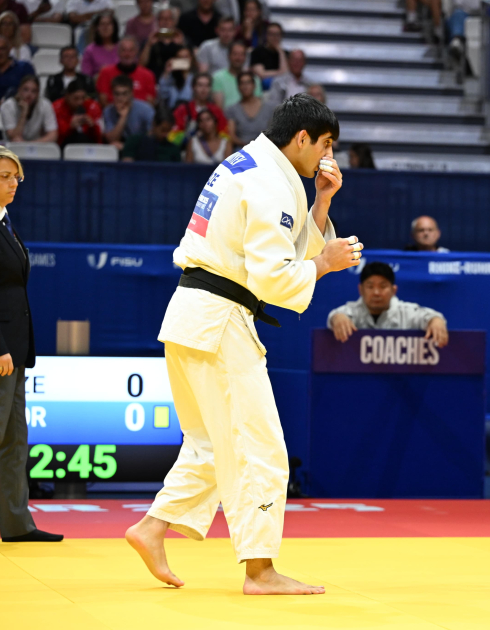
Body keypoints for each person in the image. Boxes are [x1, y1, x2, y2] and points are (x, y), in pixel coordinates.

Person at [125, 93, 360, 595]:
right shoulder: (269, 181)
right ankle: (260, 570)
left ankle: (152, 527)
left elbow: (283, 249)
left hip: (193, 316)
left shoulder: (249, 163)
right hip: (220, 319)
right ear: (302, 137)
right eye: (324, 145)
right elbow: (276, 277)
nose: (327, 157)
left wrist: (321, 201)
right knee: (260, 446)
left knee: (212, 444)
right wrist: (325, 263)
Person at [0, 145, 63, 544]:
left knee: (15, 440)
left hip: (13, 348)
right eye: (4, 176)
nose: (14, 183)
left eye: (17, 177)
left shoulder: (2, 220)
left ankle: (17, 525)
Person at [328, 262, 449, 346]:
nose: (376, 292)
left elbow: (429, 316)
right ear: (360, 289)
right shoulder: (351, 311)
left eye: (383, 286)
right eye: (370, 286)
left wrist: (435, 321)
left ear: (393, 290)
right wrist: (337, 318)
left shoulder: (406, 312)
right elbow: (336, 315)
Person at [96, 36, 156, 106]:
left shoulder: (148, 75)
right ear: (118, 52)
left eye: (131, 51)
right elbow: (103, 101)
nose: (127, 54)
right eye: (123, 50)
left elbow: (150, 103)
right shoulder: (105, 72)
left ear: (136, 52)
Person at [170, 72, 227, 145]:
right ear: (193, 87)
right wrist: (189, 136)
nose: (204, 89)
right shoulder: (182, 110)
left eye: (207, 86)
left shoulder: (216, 111)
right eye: (200, 85)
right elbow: (172, 138)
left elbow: (225, 136)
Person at [0, 73, 57, 142]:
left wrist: (30, 145)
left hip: (38, 146)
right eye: (25, 90)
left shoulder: (45, 104)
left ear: (38, 94)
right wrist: (24, 113)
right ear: (19, 90)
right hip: (13, 148)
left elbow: (53, 135)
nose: (29, 95)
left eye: (34, 91)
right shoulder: (8, 106)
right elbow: (13, 137)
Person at [102, 73, 154, 150]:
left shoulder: (146, 109)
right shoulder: (108, 111)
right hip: (118, 150)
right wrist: (123, 117)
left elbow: (153, 138)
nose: (120, 98)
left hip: (141, 149)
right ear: (112, 94)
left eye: (124, 94)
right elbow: (112, 140)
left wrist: (127, 147)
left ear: (132, 93)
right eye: (117, 94)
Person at [225, 69, 272, 147]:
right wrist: (248, 147)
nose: (245, 86)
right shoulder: (232, 109)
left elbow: (274, 133)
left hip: (265, 149)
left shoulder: (270, 107)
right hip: (241, 149)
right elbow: (232, 136)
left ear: (254, 85)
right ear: (238, 87)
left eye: (248, 82)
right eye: (242, 83)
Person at [0, 35, 35, 105]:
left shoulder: (24, 67)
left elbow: (33, 92)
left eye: (3, 49)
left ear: (9, 49)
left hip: (20, 110)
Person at [140, 7, 187, 79]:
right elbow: (141, 66)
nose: (165, 21)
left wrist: (181, 45)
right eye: (162, 18)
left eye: (169, 18)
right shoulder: (148, 41)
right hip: (154, 80)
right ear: (157, 21)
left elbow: (186, 65)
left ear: (174, 22)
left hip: (176, 82)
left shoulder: (182, 40)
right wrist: (148, 45)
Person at [212, 39, 260, 109]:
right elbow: (219, 108)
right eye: (235, 54)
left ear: (245, 57)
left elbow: (257, 104)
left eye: (241, 54)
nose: (238, 58)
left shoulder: (254, 78)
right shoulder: (217, 77)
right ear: (228, 56)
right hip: (226, 118)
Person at [53, 78, 102, 145]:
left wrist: (92, 127)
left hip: (89, 147)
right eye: (76, 98)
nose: (80, 102)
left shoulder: (93, 106)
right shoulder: (56, 107)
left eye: (83, 98)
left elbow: (99, 139)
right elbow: (55, 138)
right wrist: (70, 127)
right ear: (67, 96)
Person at [80, 12, 118, 78]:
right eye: (102, 24)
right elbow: (86, 76)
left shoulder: (123, 47)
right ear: (97, 28)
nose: (105, 27)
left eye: (109, 24)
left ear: (114, 27)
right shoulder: (90, 50)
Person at [250, 22, 287, 89]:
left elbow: (286, 74)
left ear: (281, 36)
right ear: (266, 35)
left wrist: (281, 52)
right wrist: (279, 72)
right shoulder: (257, 51)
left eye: (277, 34)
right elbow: (261, 74)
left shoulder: (285, 54)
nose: (274, 37)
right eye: (271, 34)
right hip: (262, 89)